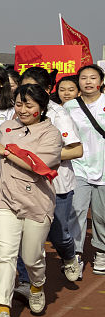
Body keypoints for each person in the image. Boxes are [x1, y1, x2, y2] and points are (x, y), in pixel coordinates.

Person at [0, 84, 63, 317]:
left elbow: (38, 165)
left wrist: (4, 151)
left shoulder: (51, 134)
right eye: (18, 104)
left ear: (41, 107)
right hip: (4, 198)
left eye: (29, 105)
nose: (23, 110)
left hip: (37, 201)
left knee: (31, 257)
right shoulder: (6, 128)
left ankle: (36, 286)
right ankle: (3, 309)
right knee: (4, 255)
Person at [15, 67, 83, 287]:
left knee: (58, 235)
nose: (25, 95)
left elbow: (75, 150)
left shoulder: (59, 115)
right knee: (23, 237)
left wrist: (40, 156)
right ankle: (27, 283)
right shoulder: (15, 112)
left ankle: (69, 255)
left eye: (32, 89)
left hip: (57, 184)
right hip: (23, 184)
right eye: (23, 88)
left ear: (46, 90)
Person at [65, 64, 105, 275]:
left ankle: (101, 251)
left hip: (104, 168)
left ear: (101, 81)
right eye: (83, 78)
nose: (88, 81)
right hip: (78, 166)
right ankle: (75, 256)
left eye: (93, 77)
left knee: (101, 214)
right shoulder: (69, 106)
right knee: (77, 211)